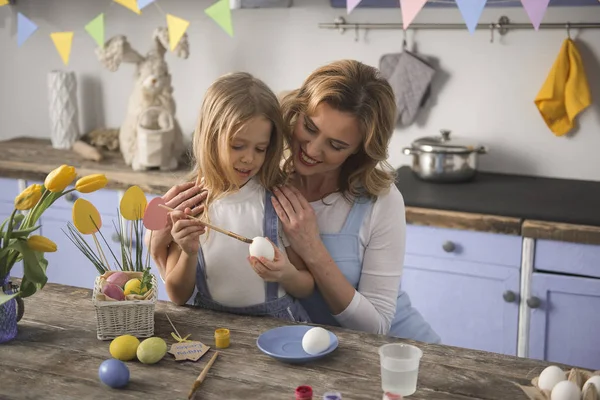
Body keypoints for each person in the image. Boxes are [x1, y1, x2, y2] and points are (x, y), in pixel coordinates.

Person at [147, 60, 440, 344]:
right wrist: (159, 241)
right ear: (298, 112)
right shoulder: (264, 168)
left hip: (397, 348)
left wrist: (311, 248)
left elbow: (376, 328)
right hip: (298, 349)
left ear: (359, 151)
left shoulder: (381, 201)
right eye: (310, 128)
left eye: (336, 145)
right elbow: (190, 270)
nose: (311, 150)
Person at [162, 71, 314, 323]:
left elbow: (306, 287)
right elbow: (177, 296)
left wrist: (286, 274)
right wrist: (188, 253)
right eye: (237, 145)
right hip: (212, 326)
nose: (249, 158)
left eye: (260, 149)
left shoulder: (276, 201)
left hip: (276, 326)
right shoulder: (191, 202)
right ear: (211, 137)